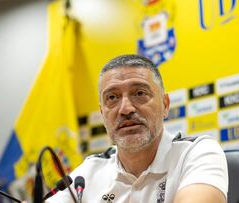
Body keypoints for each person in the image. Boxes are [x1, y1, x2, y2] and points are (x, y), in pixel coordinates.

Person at [46, 54, 228, 203]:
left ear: (165, 105)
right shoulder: (89, 171)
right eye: (112, 98)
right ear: (102, 114)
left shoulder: (198, 152)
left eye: (139, 93)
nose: (125, 109)